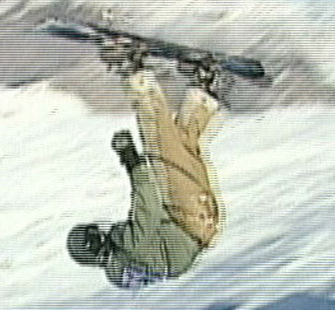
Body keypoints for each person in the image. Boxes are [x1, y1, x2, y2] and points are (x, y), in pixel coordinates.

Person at [67, 70, 221, 288]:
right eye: (97, 232)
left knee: (176, 149)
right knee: (157, 146)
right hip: (187, 215)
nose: (104, 229)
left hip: (197, 224)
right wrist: (130, 159)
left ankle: (203, 95)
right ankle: (139, 80)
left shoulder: (130, 263)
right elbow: (148, 203)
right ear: (96, 242)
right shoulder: (128, 247)